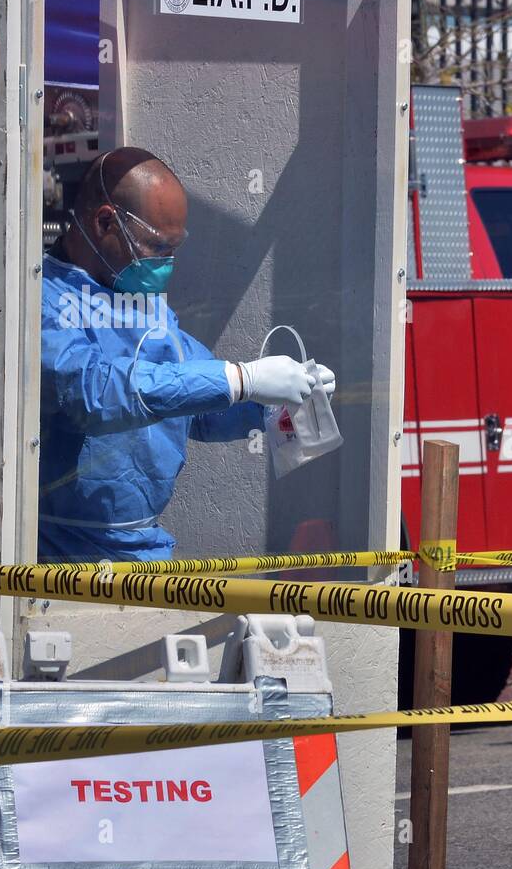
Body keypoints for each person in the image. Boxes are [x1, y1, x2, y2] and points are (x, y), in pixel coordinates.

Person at [40, 146, 335, 562]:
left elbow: (192, 406)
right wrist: (241, 379)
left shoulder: (140, 302)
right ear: (105, 221)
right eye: (156, 247)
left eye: (174, 249)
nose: (166, 264)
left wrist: (274, 403)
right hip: (63, 559)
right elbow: (92, 393)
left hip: (145, 551)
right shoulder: (43, 299)